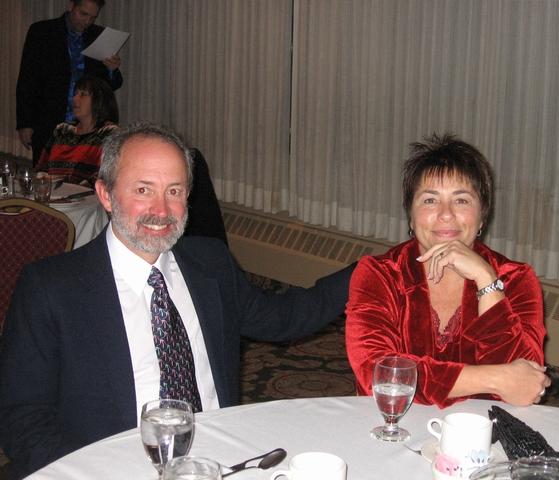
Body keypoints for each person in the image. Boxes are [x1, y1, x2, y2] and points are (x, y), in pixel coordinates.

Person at [0, 122, 354, 479]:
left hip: (218, 463)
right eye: (143, 189)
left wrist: (370, 271)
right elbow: (21, 417)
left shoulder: (210, 263)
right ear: (105, 194)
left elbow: (284, 318)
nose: (162, 210)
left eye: (174, 191)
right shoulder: (52, 288)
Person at [346, 133, 550, 409]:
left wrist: (487, 281)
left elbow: (525, 385)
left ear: (482, 216)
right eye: (430, 200)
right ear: (410, 215)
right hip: (396, 422)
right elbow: (376, 373)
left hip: (481, 428)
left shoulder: (515, 278)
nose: (445, 214)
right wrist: (495, 379)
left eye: (461, 200)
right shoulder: (380, 274)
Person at [16, 0, 123, 165]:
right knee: (45, 171)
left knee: (81, 173)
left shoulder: (98, 36)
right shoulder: (42, 31)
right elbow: (27, 79)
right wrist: (25, 123)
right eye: (83, 14)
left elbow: (108, 86)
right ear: (71, 6)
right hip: (48, 118)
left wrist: (112, 69)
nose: (87, 21)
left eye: (92, 17)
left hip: (86, 124)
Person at [36, 75, 119, 186]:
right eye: (75, 94)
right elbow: (41, 168)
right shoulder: (62, 130)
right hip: (51, 193)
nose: (75, 99)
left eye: (83, 95)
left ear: (99, 101)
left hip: (87, 195)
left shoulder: (108, 134)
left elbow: (105, 178)